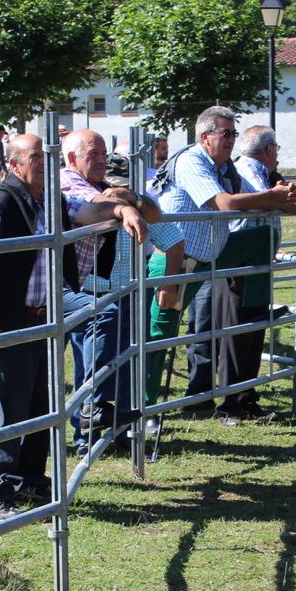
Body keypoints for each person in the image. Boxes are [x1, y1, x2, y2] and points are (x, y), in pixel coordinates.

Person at [0, 133, 148, 521]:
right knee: (9, 407)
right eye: (36, 157)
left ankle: (32, 479)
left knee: (41, 402)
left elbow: (87, 213)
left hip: (45, 315)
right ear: (15, 164)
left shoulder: (51, 199)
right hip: (14, 318)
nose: (44, 164)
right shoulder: (3, 202)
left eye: (48, 157)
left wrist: (123, 211)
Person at [153, 107, 296, 415]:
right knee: (159, 335)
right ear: (205, 137)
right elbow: (225, 204)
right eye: (226, 134)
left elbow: (254, 197)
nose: (232, 140)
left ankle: (195, 398)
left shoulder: (223, 168)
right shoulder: (193, 162)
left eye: (234, 133)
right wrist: (272, 196)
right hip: (175, 263)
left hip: (202, 261)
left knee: (197, 330)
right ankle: (143, 409)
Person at [60, 129, 180, 446]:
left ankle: (119, 430)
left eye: (104, 155)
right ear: (72, 158)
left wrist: (133, 199)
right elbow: (93, 205)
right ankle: (85, 432)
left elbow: (161, 221)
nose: (101, 162)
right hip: (86, 288)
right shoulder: (69, 181)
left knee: (124, 363)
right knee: (90, 365)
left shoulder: (109, 189)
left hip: (125, 289)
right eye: (93, 155)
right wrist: (125, 204)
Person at [217, 125, 296, 423]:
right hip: (240, 261)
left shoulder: (263, 173)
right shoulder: (245, 172)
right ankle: (229, 405)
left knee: (253, 329)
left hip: (257, 260)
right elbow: (261, 200)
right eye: (276, 150)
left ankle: (246, 398)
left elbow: (277, 197)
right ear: (270, 150)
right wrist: (289, 201)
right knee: (236, 333)